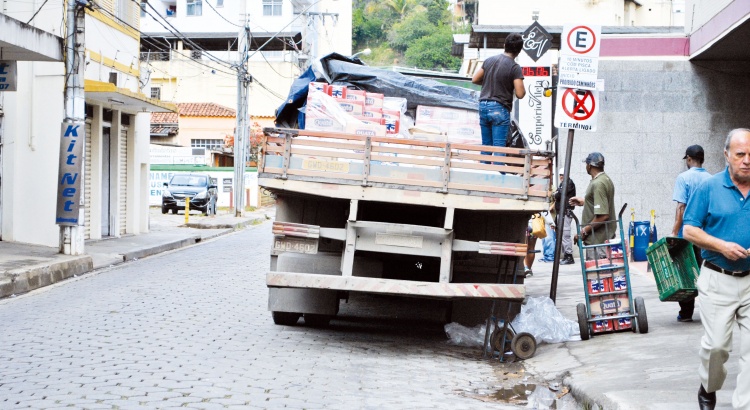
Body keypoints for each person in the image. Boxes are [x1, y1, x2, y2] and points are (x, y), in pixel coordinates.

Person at [683, 129, 750, 410]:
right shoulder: (709, 187)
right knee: (717, 347)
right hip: (717, 278)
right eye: (740, 154)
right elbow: (689, 229)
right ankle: (708, 388)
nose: (747, 160)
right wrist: (722, 246)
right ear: (726, 155)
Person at [670, 144, 712, 323]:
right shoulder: (712, 180)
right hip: (707, 235)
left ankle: (686, 313)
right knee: (708, 272)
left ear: (688, 159)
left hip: (687, 234)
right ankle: (711, 312)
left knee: (686, 272)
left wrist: (674, 233)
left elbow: (681, 207)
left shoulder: (683, 178)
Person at [472, 32, 525, 160]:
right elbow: (520, 93)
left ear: (504, 45)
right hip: (500, 108)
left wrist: (489, 82)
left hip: (483, 105)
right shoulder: (514, 67)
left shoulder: (489, 61)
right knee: (499, 150)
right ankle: (498, 178)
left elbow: (475, 79)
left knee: (486, 147)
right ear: (519, 51)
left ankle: (483, 177)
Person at [569, 152, 616, 260]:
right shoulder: (605, 179)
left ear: (589, 165)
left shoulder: (598, 184)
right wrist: (585, 201)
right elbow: (603, 202)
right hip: (602, 240)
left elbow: (603, 216)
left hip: (598, 242)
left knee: (598, 276)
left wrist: (584, 231)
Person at [554, 168, 577, 265]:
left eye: (562, 174)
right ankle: (566, 255)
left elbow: (558, 195)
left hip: (565, 213)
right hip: (562, 212)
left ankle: (569, 256)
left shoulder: (568, 183)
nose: (561, 176)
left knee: (565, 235)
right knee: (563, 235)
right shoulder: (564, 183)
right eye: (560, 175)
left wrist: (556, 193)